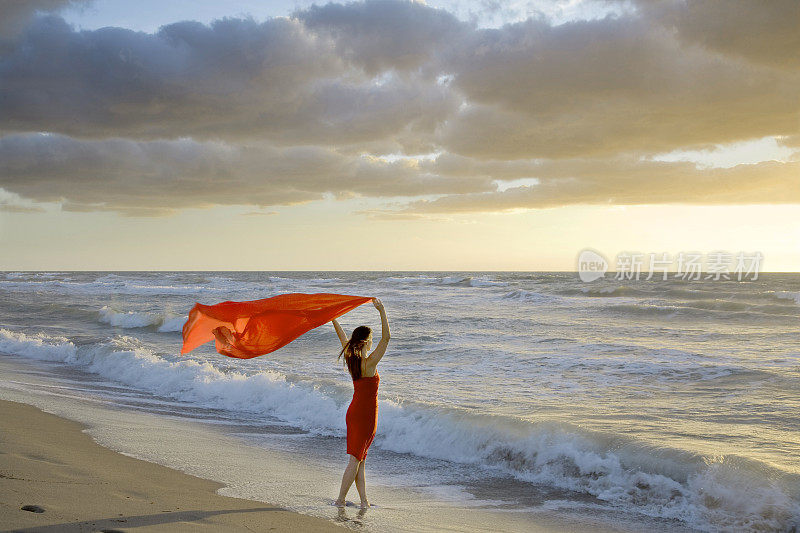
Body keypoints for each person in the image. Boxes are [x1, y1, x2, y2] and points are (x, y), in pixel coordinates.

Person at [331, 297, 390, 509]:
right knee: (355, 460)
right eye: (371, 339)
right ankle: (340, 500)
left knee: (360, 460)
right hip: (365, 417)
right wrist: (381, 311)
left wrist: (333, 319)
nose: (374, 342)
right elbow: (387, 339)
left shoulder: (352, 359)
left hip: (354, 413)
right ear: (366, 342)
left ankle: (364, 501)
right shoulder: (368, 363)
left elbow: (342, 338)